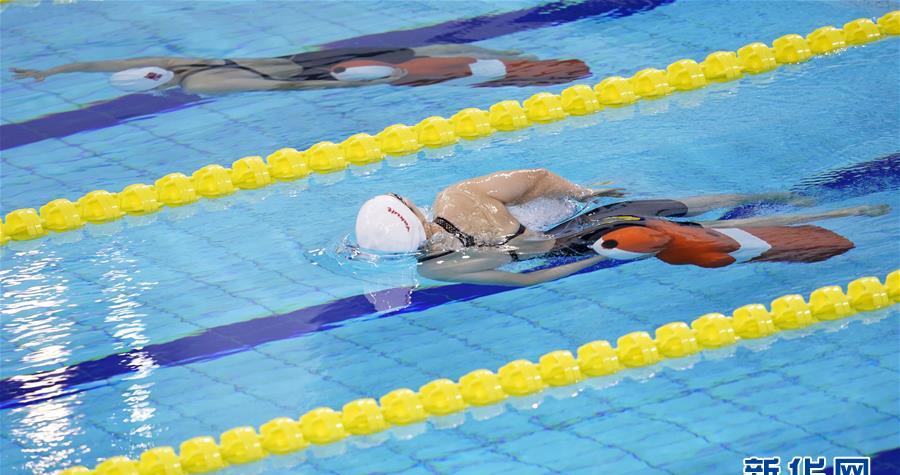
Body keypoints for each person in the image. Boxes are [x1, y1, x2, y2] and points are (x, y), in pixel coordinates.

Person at [353, 168, 889, 286]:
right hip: (592, 218)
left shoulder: (441, 268)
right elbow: (538, 179)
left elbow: (529, 278)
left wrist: (594, 258)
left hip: (575, 244)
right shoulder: (457, 197)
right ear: (409, 207)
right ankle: (795, 198)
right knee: (690, 205)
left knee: (705, 232)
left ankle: (845, 217)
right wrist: (585, 194)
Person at [11, 45, 589, 94]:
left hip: (314, 73)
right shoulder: (179, 62)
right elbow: (108, 62)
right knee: (419, 62)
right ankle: (513, 65)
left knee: (414, 74)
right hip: (308, 61)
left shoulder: (203, 82)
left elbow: (278, 90)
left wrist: (335, 83)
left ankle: (512, 71)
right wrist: (53, 72)